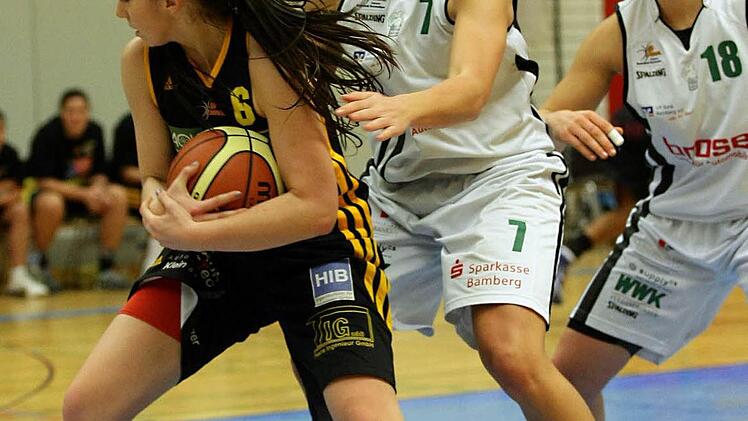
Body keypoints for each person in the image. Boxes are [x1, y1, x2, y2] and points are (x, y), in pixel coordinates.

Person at [63, 1, 402, 420]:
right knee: (86, 407)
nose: (119, 11)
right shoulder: (142, 61)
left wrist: (193, 233)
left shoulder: (266, 53)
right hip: (214, 253)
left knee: (361, 414)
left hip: (314, 251)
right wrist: (161, 206)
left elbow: (315, 208)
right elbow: (153, 175)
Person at [336, 0, 593, 419]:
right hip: (398, 190)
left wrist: (405, 107)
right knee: (334, 343)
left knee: (511, 355)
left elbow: (470, 90)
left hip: (499, 179)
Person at [539, 0, 748, 418]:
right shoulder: (617, 34)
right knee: (565, 387)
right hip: (675, 225)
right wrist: (552, 121)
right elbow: (543, 123)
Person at [27, 89, 130, 290]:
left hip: (85, 196)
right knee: (50, 203)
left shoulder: (95, 131)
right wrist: (85, 194)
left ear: (88, 112)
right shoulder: (47, 134)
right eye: (70, 111)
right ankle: (39, 263)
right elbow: (43, 181)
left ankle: (106, 266)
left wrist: (98, 189)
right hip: (57, 195)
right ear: (62, 113)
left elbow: (101, 172)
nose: (76, 117)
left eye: (81, 111)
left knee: (117, 195)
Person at [553, 107, 650, 303]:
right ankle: (566, 255)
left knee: (632, 212)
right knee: (635, 212)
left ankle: (567, 254)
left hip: (627, 129)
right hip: (639, 133)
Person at [0, 109, 49, 297]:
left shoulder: (10, 154)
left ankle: (18, 275)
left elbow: (18, 192)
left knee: (20, 210)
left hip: (4, 210)